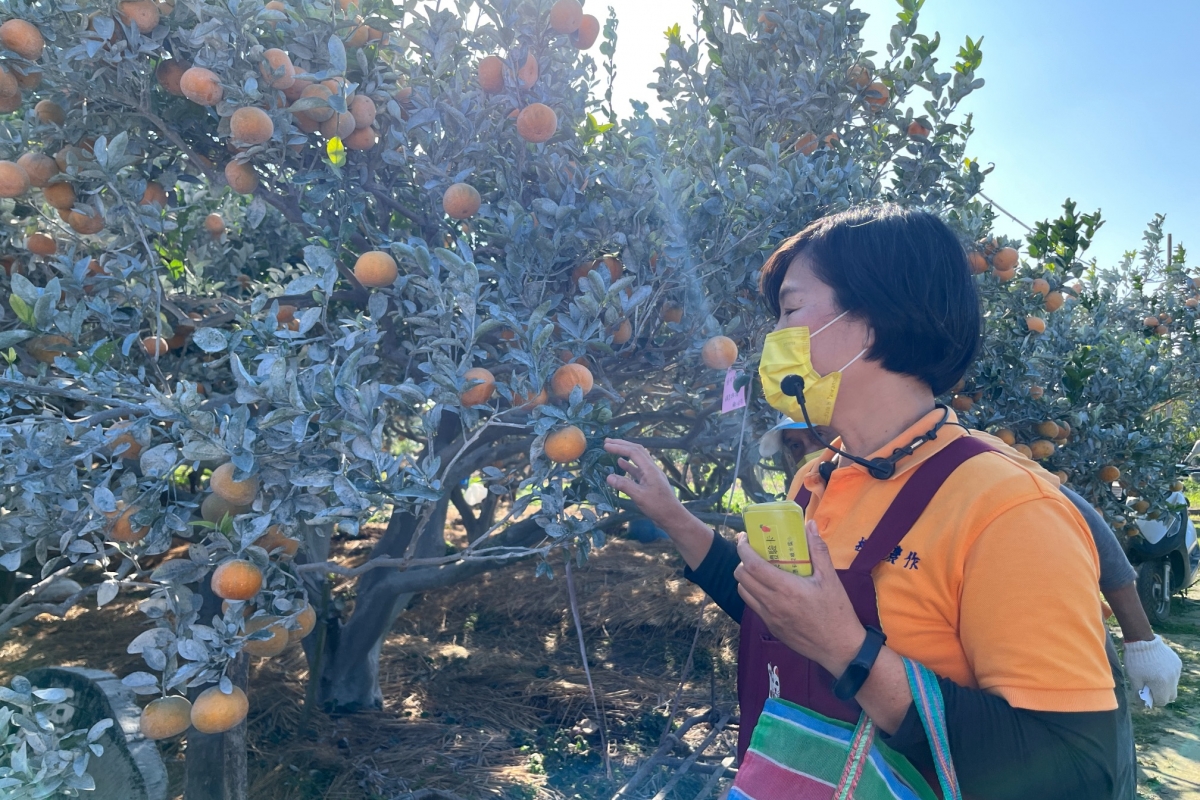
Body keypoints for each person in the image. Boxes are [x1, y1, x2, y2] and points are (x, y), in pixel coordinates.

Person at [605, 205, 1129, 799]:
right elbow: (778, 616)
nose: (774, 338)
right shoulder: (817, 479)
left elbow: (1079, 774)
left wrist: (849, 652)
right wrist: (672, 516)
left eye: (791, 311)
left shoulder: (1005, 509)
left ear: (875, 320)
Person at [771, 423, 1180, 798]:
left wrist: (1140, 640)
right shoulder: (819, 483)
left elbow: (1084, 521)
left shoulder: (965, 466)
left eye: (814, 436)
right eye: (795, 445)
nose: (808, 449)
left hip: (1061, 667)